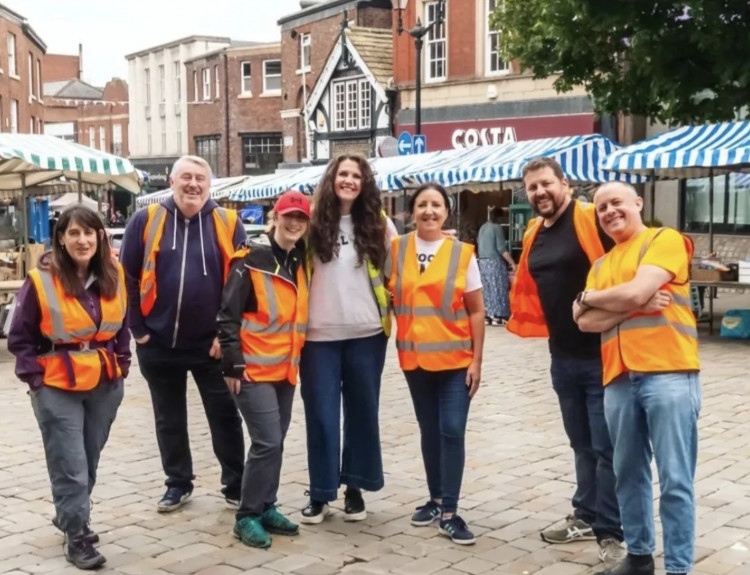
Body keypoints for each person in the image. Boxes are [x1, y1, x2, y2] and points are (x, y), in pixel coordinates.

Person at [575, 183, 700, 575]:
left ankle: (678, 568)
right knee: (628, 474)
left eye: (616, 203)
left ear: (638, 204)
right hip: (618, 377)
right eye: (601, 208)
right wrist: (630, 305)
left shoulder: (664, 240)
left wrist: (590, 297)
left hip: (668, 372)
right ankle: (641, 558)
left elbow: (634, 291)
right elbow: (583, 323)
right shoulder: (601, 265)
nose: (609, 211)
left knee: (675, 478)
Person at [506, 157, 624, 565]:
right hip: (562, 355)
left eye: (545, 184)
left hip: (602, 355)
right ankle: (585, 514)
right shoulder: (535, 230)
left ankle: (611, 531)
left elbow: (627, 258)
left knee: (606, 447)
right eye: (532, 188)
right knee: (581, 443)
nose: (539, 192)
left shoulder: (592, 217)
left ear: (564, 184)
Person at [119, 155, 246, 513]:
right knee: (169, 417)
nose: (193, 184)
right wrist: (137, 329)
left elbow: (239, 286)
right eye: (185, 177)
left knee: (224, 415)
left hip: (211, 345)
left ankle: (236, 484)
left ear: (210, 184)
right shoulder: (145, 220)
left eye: (200, 178)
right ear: (171, 182)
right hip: (158, 343)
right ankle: (178, 483)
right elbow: (126, 277)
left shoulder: (229, 222)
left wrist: (227, 337)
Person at [8, 206, 130, 570]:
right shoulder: (41, 279)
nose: (83, 240)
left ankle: (69, 514)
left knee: (88, 459)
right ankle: (77, 535)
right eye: (74, 233)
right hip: (57, 384)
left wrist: (122, 363)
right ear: (60, 238)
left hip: (104, 382)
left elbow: (122, 324)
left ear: (100, 237)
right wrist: (35, 379)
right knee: (71, 464)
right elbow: (19, 335)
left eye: (90, 233)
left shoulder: (114, 272)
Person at [299, 154, 397, 524]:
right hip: (317, 336)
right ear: (332, 178)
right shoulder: (311, 221)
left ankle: (355, 488)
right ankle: (321, 492)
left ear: (364, 182)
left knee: (361, 413)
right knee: (321, 416)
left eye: (356, 175)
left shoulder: (378, 223)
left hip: (367, 334)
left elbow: (395, 269)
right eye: (343, 174)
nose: (349, 180)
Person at [386, 182, 485, 545]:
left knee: (452, 430)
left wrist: (477, 360)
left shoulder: (462, 254)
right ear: (412, 211)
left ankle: (451, 511)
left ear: (446, 212)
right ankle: (435, 498)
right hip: (415, 361)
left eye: (437, 205)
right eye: (423, 205)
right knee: (429, 431)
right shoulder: (396, 250)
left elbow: (477, 311)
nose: (429, 211)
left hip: (456, 361)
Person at [217, 191, 311, 549]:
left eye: (300, 219)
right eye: (288, 216)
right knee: (267, 441)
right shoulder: (250, 259)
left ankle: (267, 504)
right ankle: (247, 515)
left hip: (285, 370)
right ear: (275, 216)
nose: (293, 223)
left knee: (275, 442)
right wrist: (232, 363)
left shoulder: (299, 259)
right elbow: (227, 315)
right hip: (252, 370)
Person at [476, 207, 515, 325]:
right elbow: (501, 248)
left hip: (482, 262)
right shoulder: (496, 228)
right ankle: (500, 315)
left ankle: (488, 315)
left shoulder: (483, 227)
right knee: (498, 288)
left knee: (487, 289)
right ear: (499, 217)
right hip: (494, 261)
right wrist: (512, 262)